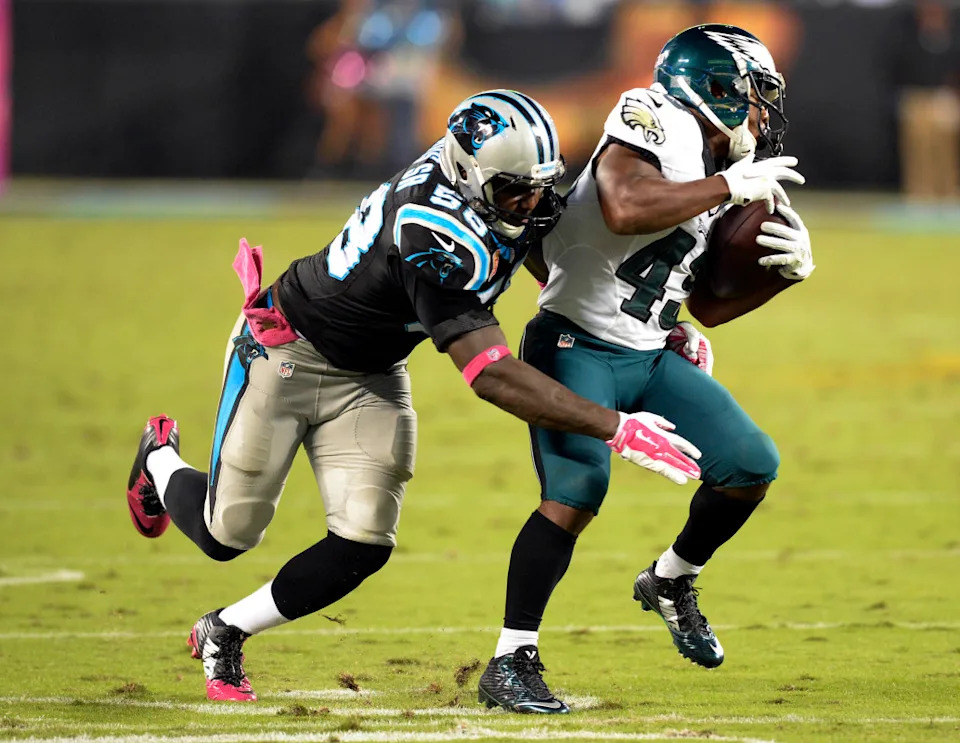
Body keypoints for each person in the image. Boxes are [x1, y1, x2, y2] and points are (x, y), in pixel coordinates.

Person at [124, 89, 703, 702]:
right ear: (469, 176)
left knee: (363, 541)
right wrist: (614, 427)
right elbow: (491, 374)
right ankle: (159, 458)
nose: (531, 202)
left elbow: (558, 260)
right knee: (226, 536)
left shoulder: (497, 184)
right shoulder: (433, 230)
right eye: (513, 190)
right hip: (286, 354)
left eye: (539, 186)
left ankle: (225, 630)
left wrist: (645, 327)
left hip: (372, 371)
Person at [478, 25, 815, 714]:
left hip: (648, 351)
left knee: (750, 463)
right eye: (756, 95)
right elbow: (625, 205)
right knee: (576, 491)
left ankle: (671, 578)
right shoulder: (654, 114)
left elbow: (711, 304)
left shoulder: (718, 159)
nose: (762, 113)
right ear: (717, 85)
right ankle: (510, 659)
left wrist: (784, 275)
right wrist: (726, 185)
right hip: (573, 344)